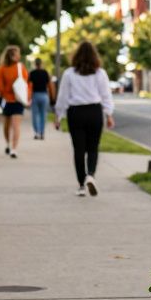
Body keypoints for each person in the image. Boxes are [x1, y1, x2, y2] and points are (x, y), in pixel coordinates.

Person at [53, 42, 115, 196]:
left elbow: (63, 97)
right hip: (94, 112)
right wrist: (109, 114)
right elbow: (106, 95)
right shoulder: (100, 73)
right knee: (93, 148)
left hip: (76, 113)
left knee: (78, 150)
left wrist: (58, 116)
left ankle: (81, 185)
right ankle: (91, 175)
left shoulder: (69, 74)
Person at [0, 45, 28, 158]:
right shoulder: (1, 69)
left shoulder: (20, 67)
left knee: (16, 125)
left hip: (18, 100)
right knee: (6, 125)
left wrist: (27, 95)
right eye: (17, 54)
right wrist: (7, 89)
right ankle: (8, 144)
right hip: (7, 100)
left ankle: (14, 149)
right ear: (11, 55)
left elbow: (26, 82)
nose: (19, 56)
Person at [29, 57, 53, 140]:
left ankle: (36, 132)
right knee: (43, 115)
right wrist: (52, 97)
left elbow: (29, 86)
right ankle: (42, 133)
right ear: (41, 63)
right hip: (44, 95)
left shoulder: (32, 73)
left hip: (35, 95)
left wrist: (28, 97)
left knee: (35, 115)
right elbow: (49, 85)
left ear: (35, 64)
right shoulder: (45, 73)